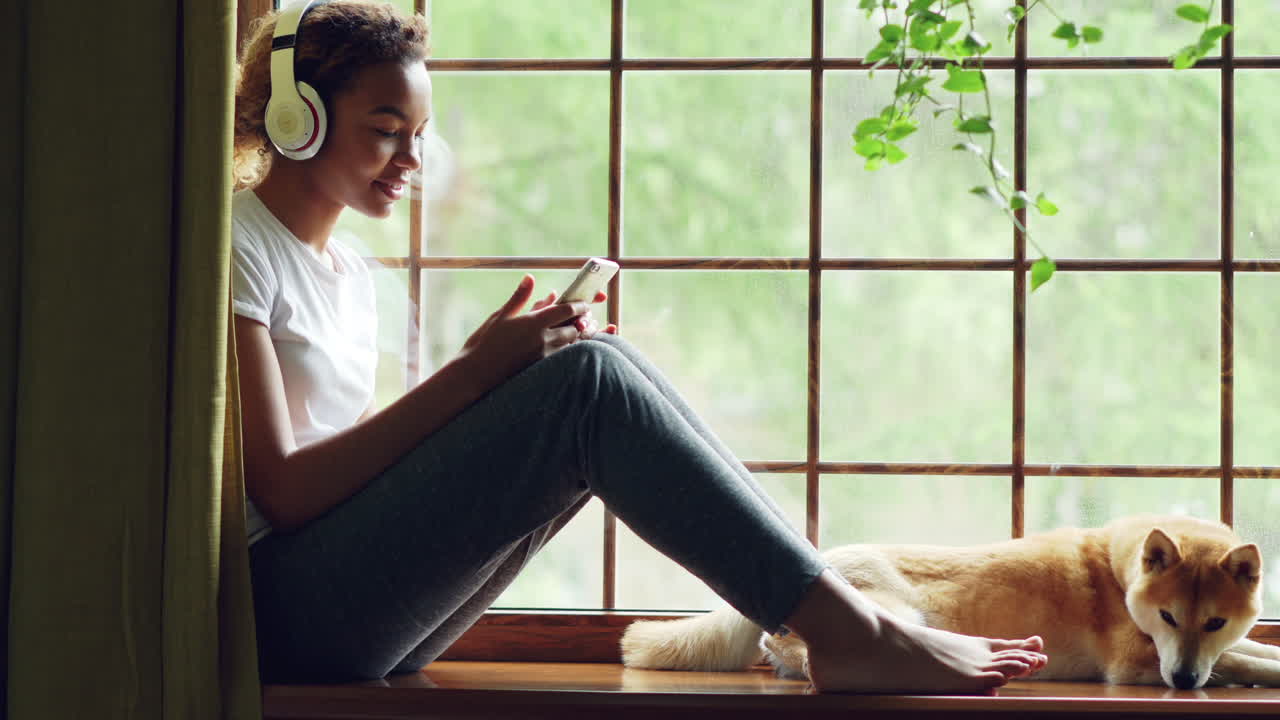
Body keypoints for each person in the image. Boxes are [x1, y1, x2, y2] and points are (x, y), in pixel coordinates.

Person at [230, 0, 1048, 691]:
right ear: (296, 119)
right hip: (285, 616)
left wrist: (484, 383)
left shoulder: (345, 270)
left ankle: (842, 616)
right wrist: (475, 380)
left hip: (350, 604)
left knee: (598, 366)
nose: (413, 158)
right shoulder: (234, 244)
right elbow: (287, 493)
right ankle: (845, 627)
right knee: (587, 384)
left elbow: (360, 471)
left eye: (420, 131)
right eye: (385, 129)